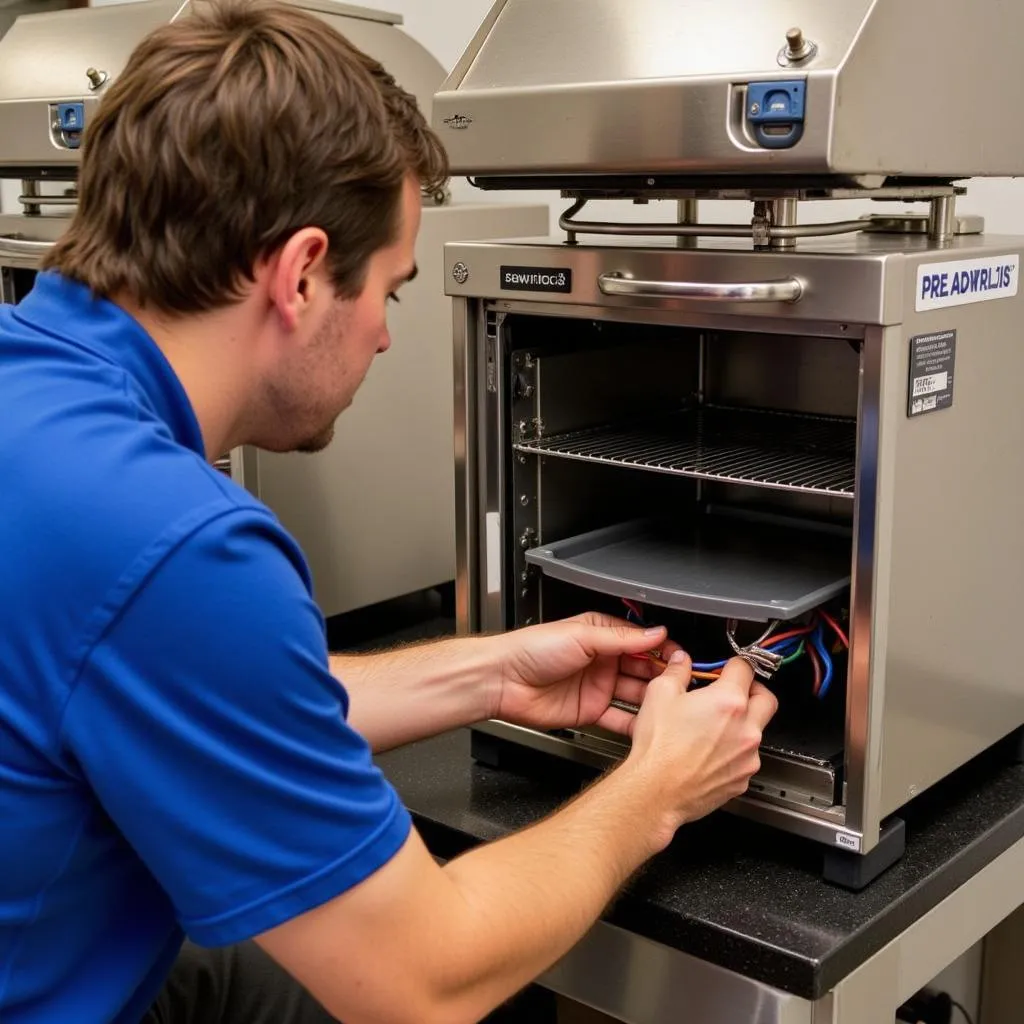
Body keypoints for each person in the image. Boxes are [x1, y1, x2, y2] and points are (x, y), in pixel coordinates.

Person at [0, 2, 778, 1022]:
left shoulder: (36, 393)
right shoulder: (175, 543)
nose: (383, 338)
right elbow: (422, 979)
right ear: (302, 272)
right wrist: (659, 789)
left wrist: (492, 673)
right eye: (392, 293)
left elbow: (191, 691)